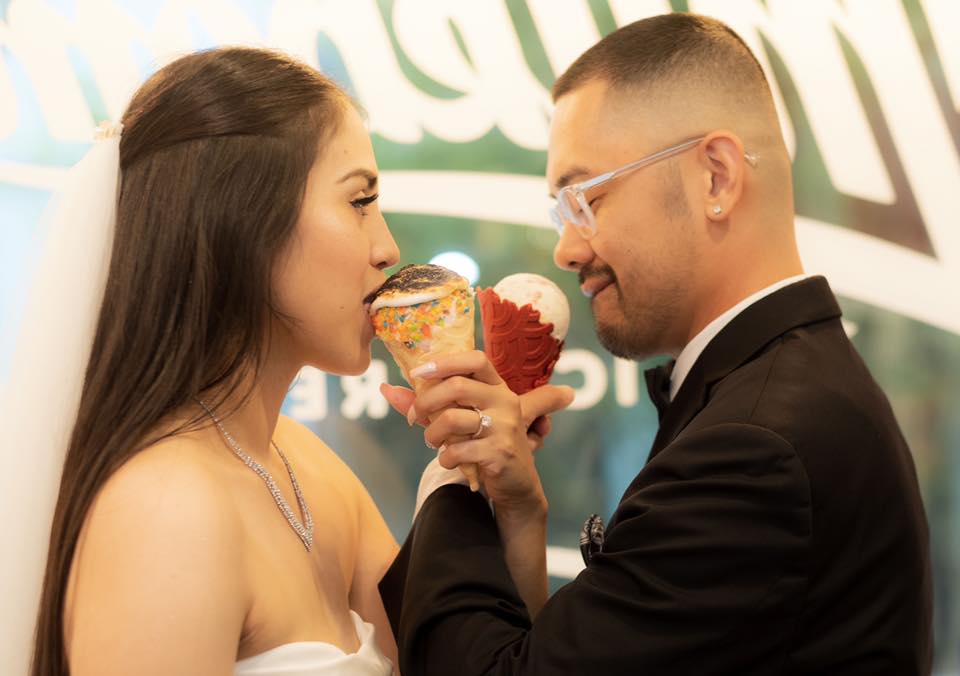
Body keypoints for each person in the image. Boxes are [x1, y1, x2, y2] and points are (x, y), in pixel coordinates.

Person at [378, 13, 933, 675]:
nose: (565, 249)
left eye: (586, 198)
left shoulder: (756, 448)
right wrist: (516, 506)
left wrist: (455, 469)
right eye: (562, 211)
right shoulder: (777, 397)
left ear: (715, 177)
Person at [24, 46, 411, 676]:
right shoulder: (164, 506)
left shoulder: (305, 462)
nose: (387, 248)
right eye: (360, 201)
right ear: (244, 220)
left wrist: (495, 492)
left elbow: (458, 660)